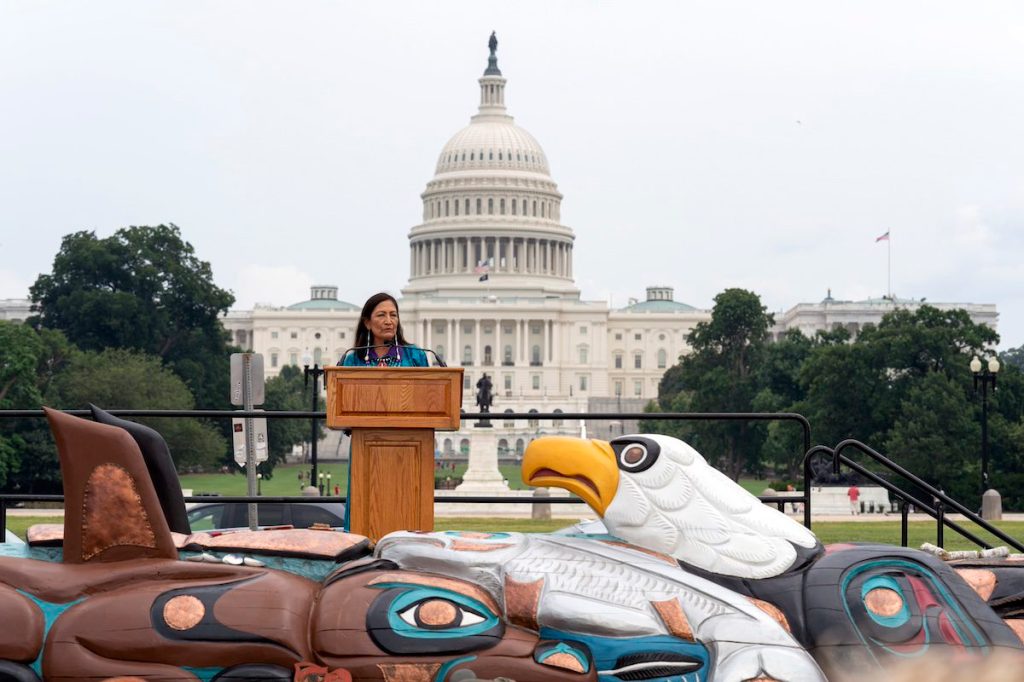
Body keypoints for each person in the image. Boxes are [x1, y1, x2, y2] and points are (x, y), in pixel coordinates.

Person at [340, 292, 429, 367]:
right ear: (367, 323)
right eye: (381, 315)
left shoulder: (415, 355)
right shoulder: (353, 360)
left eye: (393, 315)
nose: (389, 322)